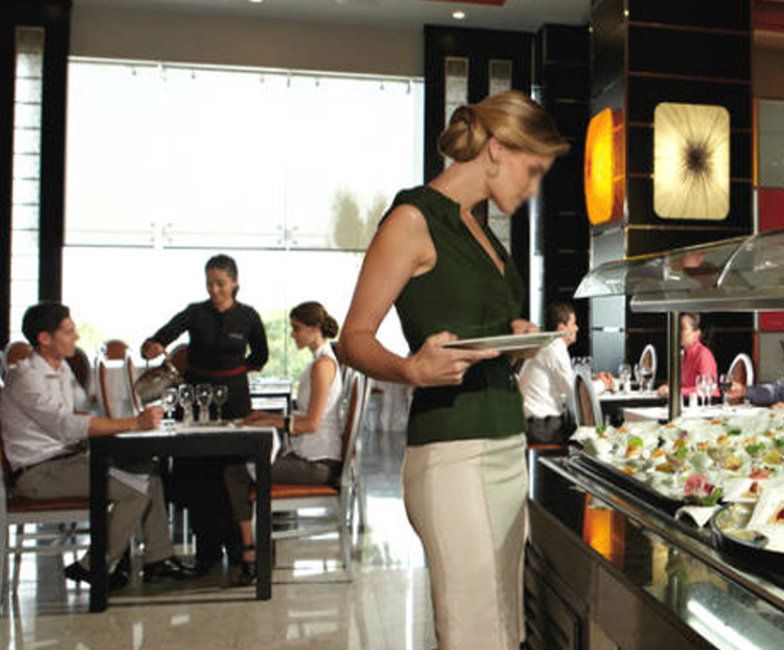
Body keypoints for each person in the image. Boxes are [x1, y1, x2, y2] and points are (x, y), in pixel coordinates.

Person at [338, 90, 568, 649]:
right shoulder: (413, 219)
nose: (533, 189)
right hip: (452, 454)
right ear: (497, 148)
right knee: (473, 632)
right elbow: (353, 339)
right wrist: (411, 369)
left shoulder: (480, 232)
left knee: (504, 627)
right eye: (532, 171)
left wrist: (514, 339)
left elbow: (477, 332)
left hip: (504, 444)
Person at [0, 303, 192, 588]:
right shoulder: (25, 376)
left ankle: (158, 559)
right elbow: (66, 425)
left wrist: (136, 397)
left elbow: (87, 409)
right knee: (135, 491)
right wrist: (133, 423)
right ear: (45, 338)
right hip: (38, 473)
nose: (76, 336)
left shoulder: (60, 369)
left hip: (67, 461)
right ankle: (94, 566)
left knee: (147, 471)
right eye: (68, 331)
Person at [141, 254, 269, 578]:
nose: (214, 290)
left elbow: (261, 356)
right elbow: (159, 338)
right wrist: (152, 346)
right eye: (209, 283)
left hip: (235, 400)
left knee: (232, 471)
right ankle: (206, 552)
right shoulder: (195, 312)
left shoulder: (248, 316)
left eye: (220, 283)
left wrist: (234, 372)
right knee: (196, 473)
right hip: (196, 401)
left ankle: (239, 549)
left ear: (235, 283)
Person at [221, 302, 345, 585]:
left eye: (296, 328)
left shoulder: (323, 366)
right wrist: (267, 417)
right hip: (314, 458)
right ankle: (259, 548)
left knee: (235, 471)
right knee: (244, 466)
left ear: (315, 329)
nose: (292, 334)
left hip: (319, 465)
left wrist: (274, 421)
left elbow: (311, 424)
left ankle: (250, 553)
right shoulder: (321, 362)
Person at [517, 301, 612, 444]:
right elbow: (575, 392)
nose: (577, 328)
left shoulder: (547, 345)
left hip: (534, 423)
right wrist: (604, 384)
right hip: (541, 426)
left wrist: (593, 380)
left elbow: (567, 384)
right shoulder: (554, 348)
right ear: (562, 328)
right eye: (573, 324)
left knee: (588, 434)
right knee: (595, 436)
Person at [655, 312, 719, 399]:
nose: (677, 332)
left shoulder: (703, 355)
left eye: (682, 328)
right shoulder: (682, 355)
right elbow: (679, 384)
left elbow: (708, 390)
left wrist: (674, 391)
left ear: (697, 333)